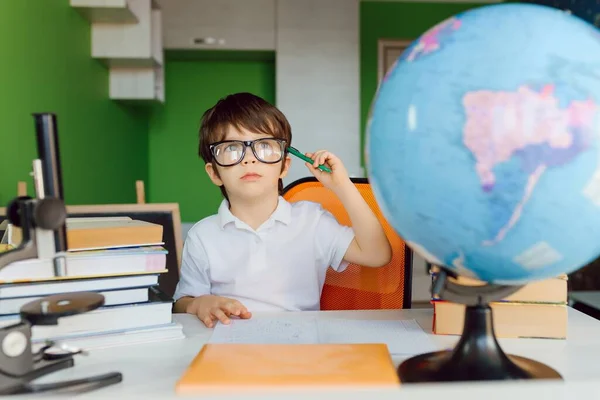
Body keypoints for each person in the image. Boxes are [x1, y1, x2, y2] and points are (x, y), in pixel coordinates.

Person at [173, 92, 392, 328]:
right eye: (232, 149)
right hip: (230, 349)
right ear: (214, 173)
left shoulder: (312, 221)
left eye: (264, 147)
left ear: (284, 165)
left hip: (299, 349)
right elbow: (182, 302)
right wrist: (200, 303)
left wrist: (342, 186)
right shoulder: (202, 235)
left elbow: (377, 255)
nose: (249, 159)